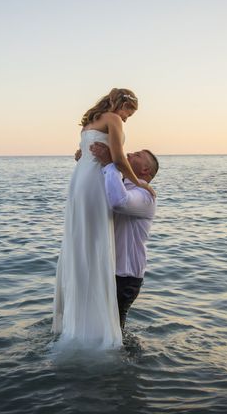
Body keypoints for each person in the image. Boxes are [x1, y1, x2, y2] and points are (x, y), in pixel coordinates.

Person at [52, 88, 154, 349]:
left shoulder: (89, 123)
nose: (126, 120)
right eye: (128, 114)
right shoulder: (113, 119)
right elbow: (118, 159)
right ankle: (102, 328)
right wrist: (140, 184)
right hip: (92, 180)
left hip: (79, 182)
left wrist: (86, 158)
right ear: (124, 105)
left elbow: (96, 161)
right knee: (96, 238)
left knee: (83, 237)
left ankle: (80, 314)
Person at [89, 142, 158, 330]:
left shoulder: (144, 194)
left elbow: (119, 202)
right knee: (100, 329)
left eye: (136, 154)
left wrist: (109, 164)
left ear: (145, 170)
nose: (128, 153)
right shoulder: (118, 183)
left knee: (113, 332)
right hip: (108, 270)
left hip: (124, 276)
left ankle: (126, 359)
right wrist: (88, 161)